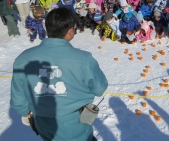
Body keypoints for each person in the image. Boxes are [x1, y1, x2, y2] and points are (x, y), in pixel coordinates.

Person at [10, 7, 108, 141]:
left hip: (43, 123)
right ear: (70, 31)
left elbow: (18, 98)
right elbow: (100, 88)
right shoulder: (84, 59)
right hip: (76, 123)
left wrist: (25, 113)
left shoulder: (23, 59)